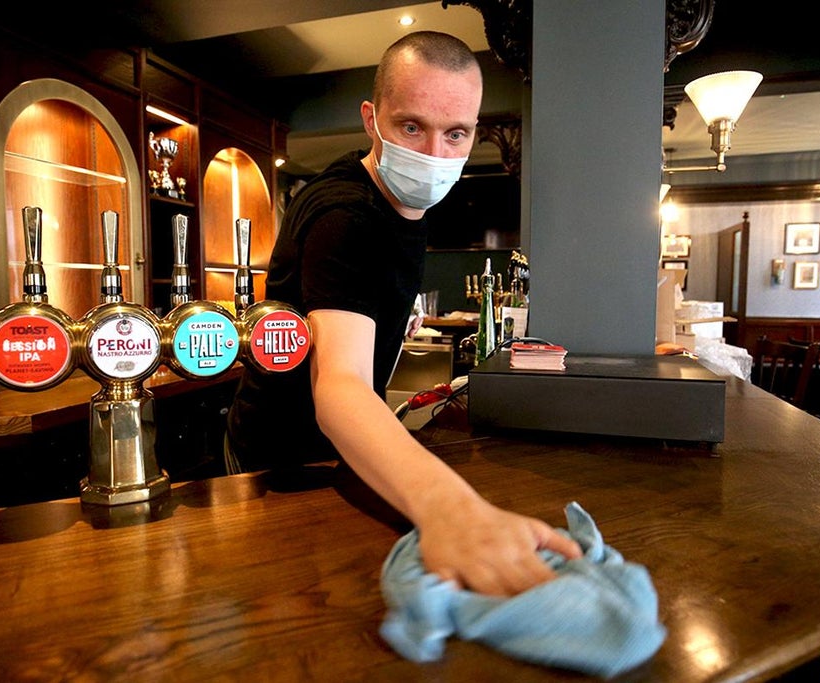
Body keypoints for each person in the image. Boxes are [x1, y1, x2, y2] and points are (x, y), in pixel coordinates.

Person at [226, 31, 580, 596]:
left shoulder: (400, 199)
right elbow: (339, 385)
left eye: (455, 134)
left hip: (335, 455)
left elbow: (347, 300)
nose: (433, 154)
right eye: (412, 127)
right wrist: (454, 510)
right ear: (372, 119)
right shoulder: (346, 215)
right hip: (284, 464)